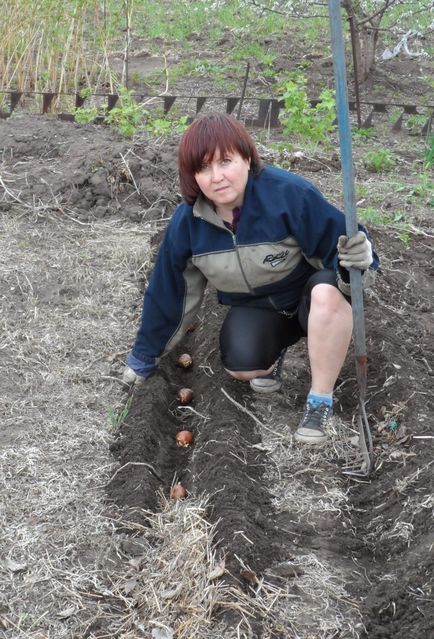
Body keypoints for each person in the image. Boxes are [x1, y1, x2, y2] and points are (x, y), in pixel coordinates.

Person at [123, 113, 379, 445]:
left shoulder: (289, 195)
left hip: (309, 296)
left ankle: (319, 400)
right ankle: (276, 352)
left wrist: (356, 262)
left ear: (247, 157)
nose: (217, 177)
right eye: (203, 168)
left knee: (328, 298)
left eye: (225, 161)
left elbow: (345, 251)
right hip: (259, 308)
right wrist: (144, 357)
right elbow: (169, 294)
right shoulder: (187, 224)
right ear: (192, 176)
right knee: (242, 366)